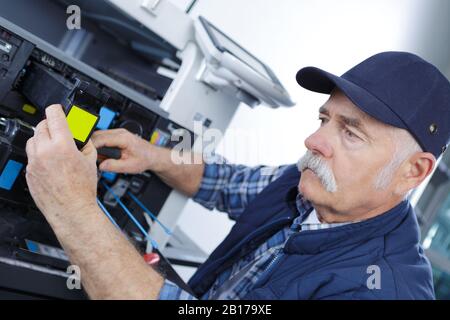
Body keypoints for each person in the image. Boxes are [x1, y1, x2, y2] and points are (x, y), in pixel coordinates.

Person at [25, 51, 450, 299]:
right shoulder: (312, 186)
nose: (314, 141)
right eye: (325, 119)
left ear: (413, 172)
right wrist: (153, 156)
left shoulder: (381, 291)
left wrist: (73, 205)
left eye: (351, 133)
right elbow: (226, 182)